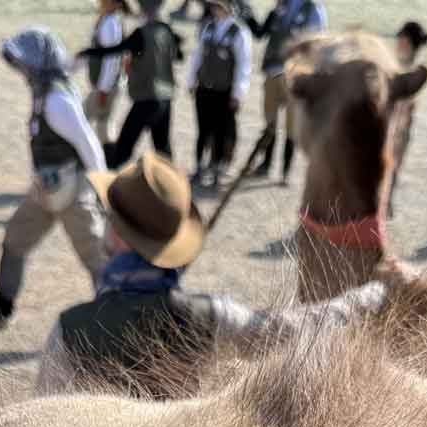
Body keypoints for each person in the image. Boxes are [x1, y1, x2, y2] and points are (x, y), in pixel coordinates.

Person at [35, 151, 380, 397]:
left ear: (118, 237)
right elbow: (290, 330)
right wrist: (371, 296)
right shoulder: (211, 317)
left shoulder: (68, 331)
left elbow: (47, 424)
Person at [0, 28, 108, 330]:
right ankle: (3, 304)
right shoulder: (45, 91)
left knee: (95, 256)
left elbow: (88, 143)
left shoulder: (56, 99)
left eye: (25, 63)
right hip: (45, 188)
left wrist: (102, 188)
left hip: (73, 190)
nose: (22, 69)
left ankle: (113, 315)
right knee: (15, 239)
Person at [88, 0, 183, 166]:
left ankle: (110, 179)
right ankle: (171, 183)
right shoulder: (166, 30)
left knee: (125, 146)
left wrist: (88, 52)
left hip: (147, 97)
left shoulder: (141, 33)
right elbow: (178, 56)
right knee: (162, 147)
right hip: (165, 97)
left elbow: (114, 50)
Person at [245, 0, 325, 183]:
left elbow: (317, 44)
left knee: (291, 126)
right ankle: (265, 165)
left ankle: (285, 172)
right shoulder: (280, 6)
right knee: (270, 121)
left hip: (295, 76)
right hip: (273, 71)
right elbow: (262, 32)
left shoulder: (313, 9)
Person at [185, 0, 250, 190]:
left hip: (225, 90)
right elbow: (198, 55)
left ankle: (218, 168)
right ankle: (199, 166)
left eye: (219, 6)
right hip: (204, 88)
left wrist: (238, 93)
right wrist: (191, 80)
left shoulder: (239, 32)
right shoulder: (207, 27)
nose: (215, 9)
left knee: (221, 130)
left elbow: (243, 66)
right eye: (213, 6)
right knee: (203, 128)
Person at [388, 20, 427, 217]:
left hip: (401, 125)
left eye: (403, 39)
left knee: (393, 166)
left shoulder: (417, 70)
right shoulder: (391, 62)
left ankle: (386, 200)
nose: (399, 42)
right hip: (387, 122)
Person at [85, 0, 131, 146]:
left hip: (107, 85)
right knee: (102, 124)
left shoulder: (110, 23)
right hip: (109, 84)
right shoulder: (111, 19)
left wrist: (104, 89)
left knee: (88, 120)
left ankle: (109, 159)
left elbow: (112, 59)